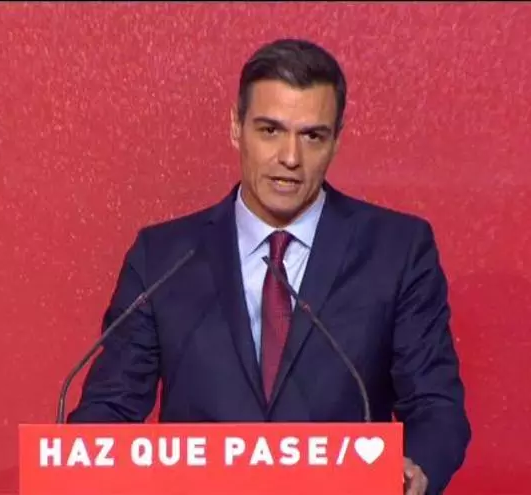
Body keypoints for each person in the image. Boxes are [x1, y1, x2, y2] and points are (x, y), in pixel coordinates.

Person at [67, 38, 471, 495]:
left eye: (312, 136)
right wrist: (77, 468)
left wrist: (418, 469)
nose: (290, 158)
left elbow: (435, 405)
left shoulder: (396, 250)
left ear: (336, 141)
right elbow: (110, 407)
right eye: (270, 130)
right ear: (236, 127)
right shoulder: (163, 256)